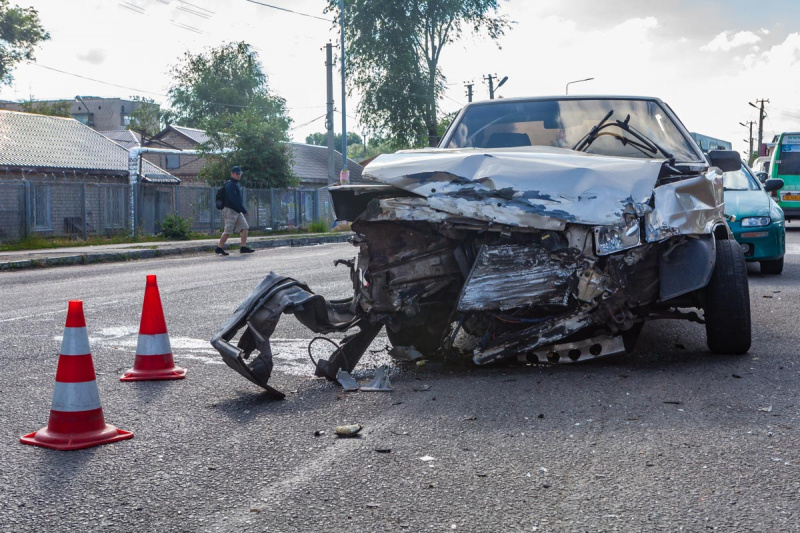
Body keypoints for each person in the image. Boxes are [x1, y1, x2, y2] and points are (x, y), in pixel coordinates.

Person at [215, 166, 255, 255]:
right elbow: (233, 200)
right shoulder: (230, 185)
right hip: (230, 210)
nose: (238, 175)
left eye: (239, 174)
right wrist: (243, 210)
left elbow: (237, 200)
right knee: (228, 231)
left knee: (244, 227)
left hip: (237, 210)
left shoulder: (236, 184)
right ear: (232, 174)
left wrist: (241, 210)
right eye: (237, 173)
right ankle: (219, 248)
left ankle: (243, 247)